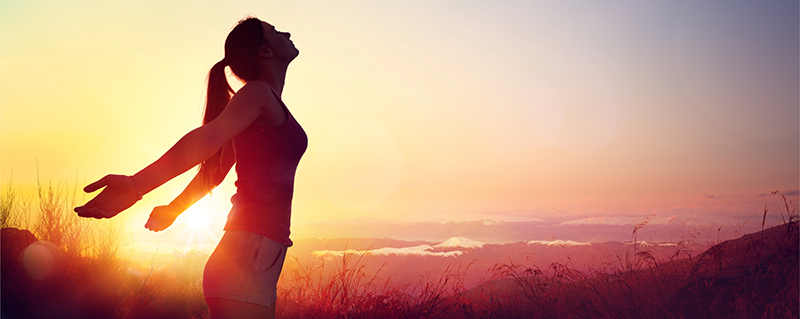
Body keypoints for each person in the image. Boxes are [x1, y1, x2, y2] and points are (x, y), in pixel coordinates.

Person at [74, 17, 305, 319]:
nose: (285, 32)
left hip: (257, 266)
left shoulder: (263, 103)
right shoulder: (257, 94)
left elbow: (216, 171)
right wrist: (136, 185)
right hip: (246, 261)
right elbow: (209, 137)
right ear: (264, 50)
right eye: (275, 31)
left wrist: (174, 208)